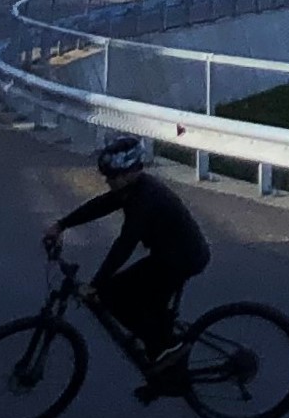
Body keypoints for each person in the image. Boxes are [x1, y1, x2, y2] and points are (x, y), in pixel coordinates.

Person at [51, 136, 210, 389]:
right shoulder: (131, 189)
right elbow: (100, 205)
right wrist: (62, 224)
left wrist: (96, 284)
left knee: (112, 295)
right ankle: (163, 366)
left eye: (114, 176)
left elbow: (125, 244)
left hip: (181, 258)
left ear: (133, 170)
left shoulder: (146, 197)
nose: (109, 181)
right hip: (170, 255)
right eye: (108, 176)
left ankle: (166, 352)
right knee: (149, 306)